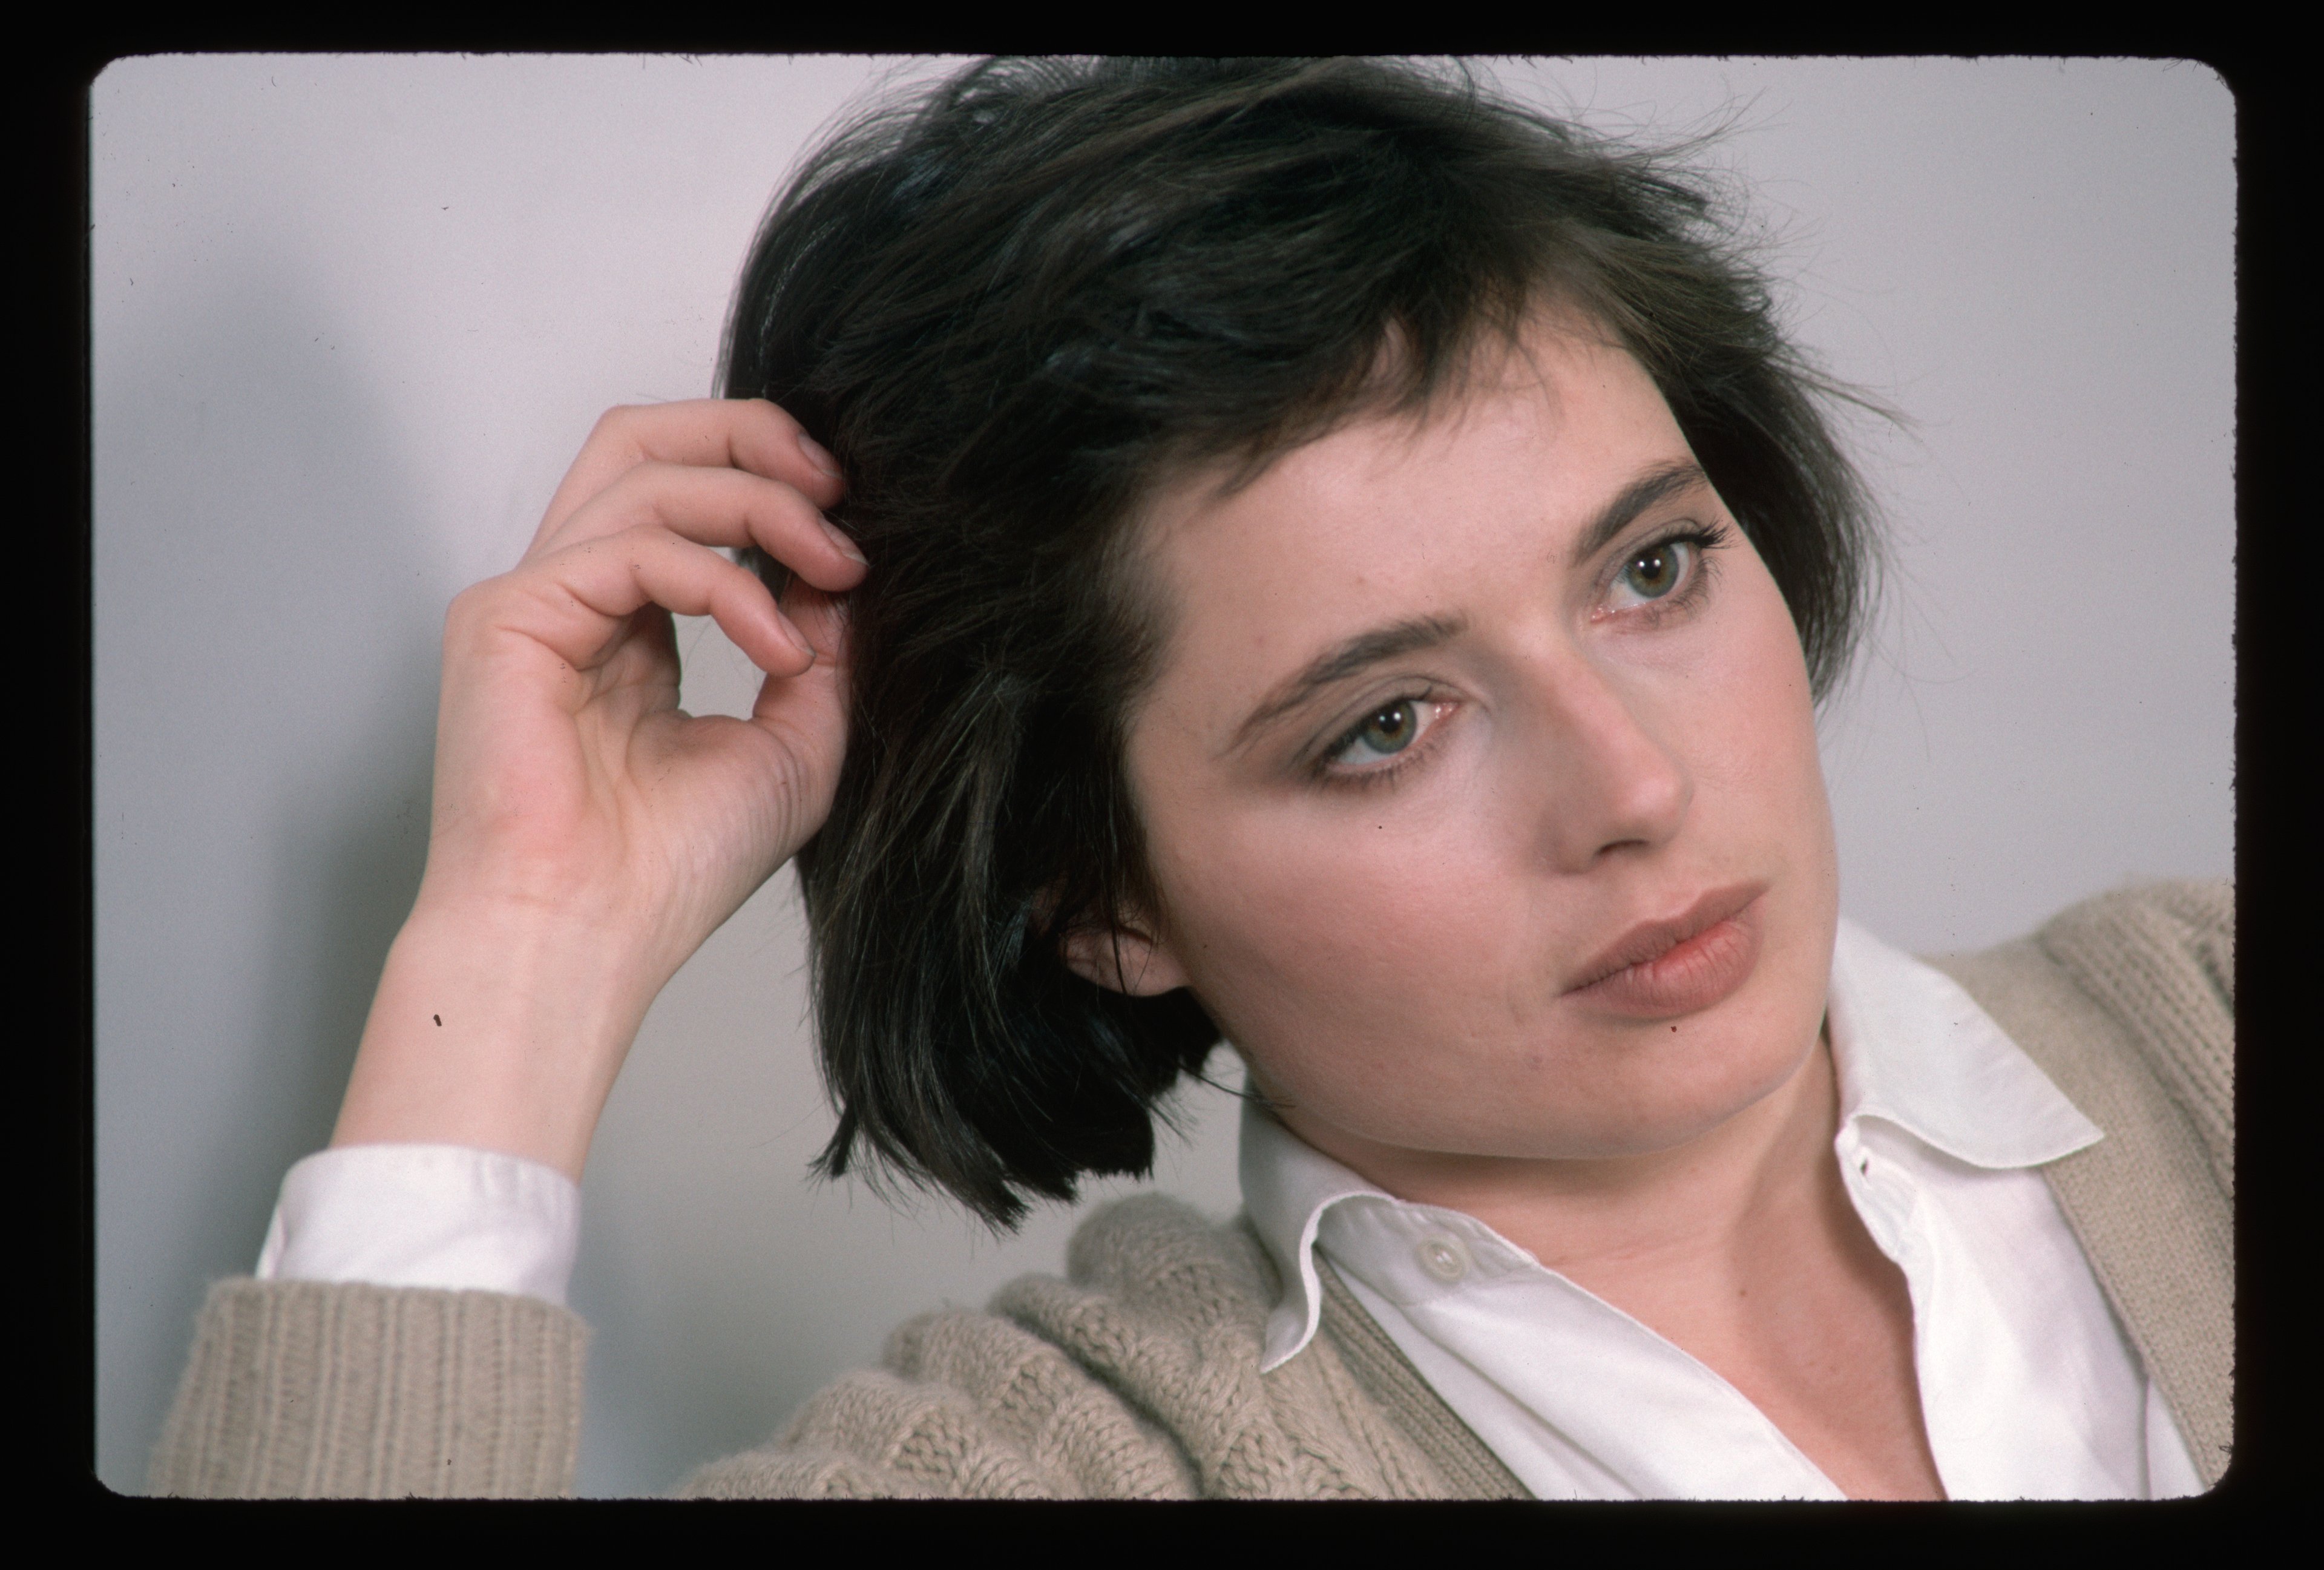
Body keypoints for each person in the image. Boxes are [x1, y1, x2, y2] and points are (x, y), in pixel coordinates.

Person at [147, 56, 2232, 1500]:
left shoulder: (2219, 1025)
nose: (1636, 785)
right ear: (1103, 895)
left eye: (1652, 568)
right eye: (1382, 721)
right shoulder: (1058, 1461)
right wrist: (512, 949)